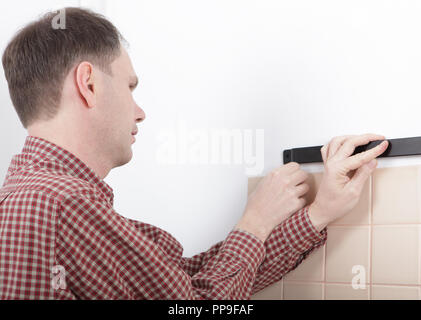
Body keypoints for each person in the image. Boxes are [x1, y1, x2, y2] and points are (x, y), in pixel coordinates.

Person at [0, 7, 388, 299]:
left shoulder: (31, 198)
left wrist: (317, 214)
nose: (140, 110)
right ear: (88, 85)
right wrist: (254, 221)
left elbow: (188, 284)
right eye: (130, 86)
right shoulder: (63, 206)